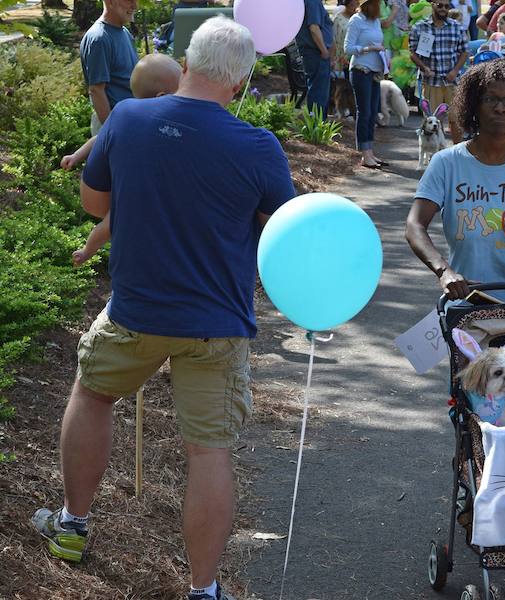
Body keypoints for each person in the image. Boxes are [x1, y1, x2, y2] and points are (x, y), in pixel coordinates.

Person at [31, 17, 296, 600]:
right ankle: (203, 588)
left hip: (133, 313)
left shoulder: (126, 118)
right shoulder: (258, 146)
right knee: (208, 452)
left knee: (92, 393)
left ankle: (72, 523)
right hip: (216, 325)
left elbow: (94, 202)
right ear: (241, 82)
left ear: (187, 62)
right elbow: (284, 233)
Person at [405, 57, 505, 302]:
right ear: (473, 105)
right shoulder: (446, 164)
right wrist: (444, 271)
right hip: (466, 302)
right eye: (490, 99)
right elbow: (415, 225)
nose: (500, 108)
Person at [62, 54, 183, 265]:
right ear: (161, 96)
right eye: (180, 91)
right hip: (129, 190)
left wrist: (76, 156)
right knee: (112, 222)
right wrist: (76, 156)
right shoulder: (133, 121)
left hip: (145, 189)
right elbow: (98, 139)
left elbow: (98, 139)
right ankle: (87, 250)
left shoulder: (129, 118)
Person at [409, 0, 469, 144]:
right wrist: (424, 67)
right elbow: (412, 53)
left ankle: (458, 153)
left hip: (452, 82)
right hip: (431, 82)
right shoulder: (420, 27)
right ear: (432, 5)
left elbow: (465, 52)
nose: (443, 9)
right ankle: (434, 158)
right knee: (432, 122)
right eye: (439, 5)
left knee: (456, 120)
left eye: (446, 6)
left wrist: (455, 71)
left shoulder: (457, 27)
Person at [79, 0, 139, 135]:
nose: (135, 6)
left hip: (127, 121)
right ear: (110, 2)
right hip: (113, 125)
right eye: (130, 0)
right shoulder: (99, 39)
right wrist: (111, 131)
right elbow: (96, 90)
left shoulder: (124, 32)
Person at [346, 0, 388, 168]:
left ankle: (370, 152)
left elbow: (378, 42)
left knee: (373, 113)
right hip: (360, 71)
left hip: (374, 73)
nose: (380, 7)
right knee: (364, 112)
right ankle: (364, 153)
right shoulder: (356, 20)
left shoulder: (375, 21)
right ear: (368, 4)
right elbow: (348, 48)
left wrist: (383, 52)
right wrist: (367, 49)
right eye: (377, 4)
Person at [296, 0, 334, 115]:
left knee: (319, 92)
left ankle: (317, 125)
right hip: (316, 53)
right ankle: (317, 127)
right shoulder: (313, 1)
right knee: (319, 93)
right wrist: (324, 51)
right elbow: (313, 28)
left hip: (315, 53)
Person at [333, 0, 359, 76]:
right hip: (341, 57)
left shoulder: (358, 19)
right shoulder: (338, 19)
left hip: (355, 57)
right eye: (352, 5)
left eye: (357, 5)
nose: (355, 8)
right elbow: (334, 38)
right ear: (346, 5)